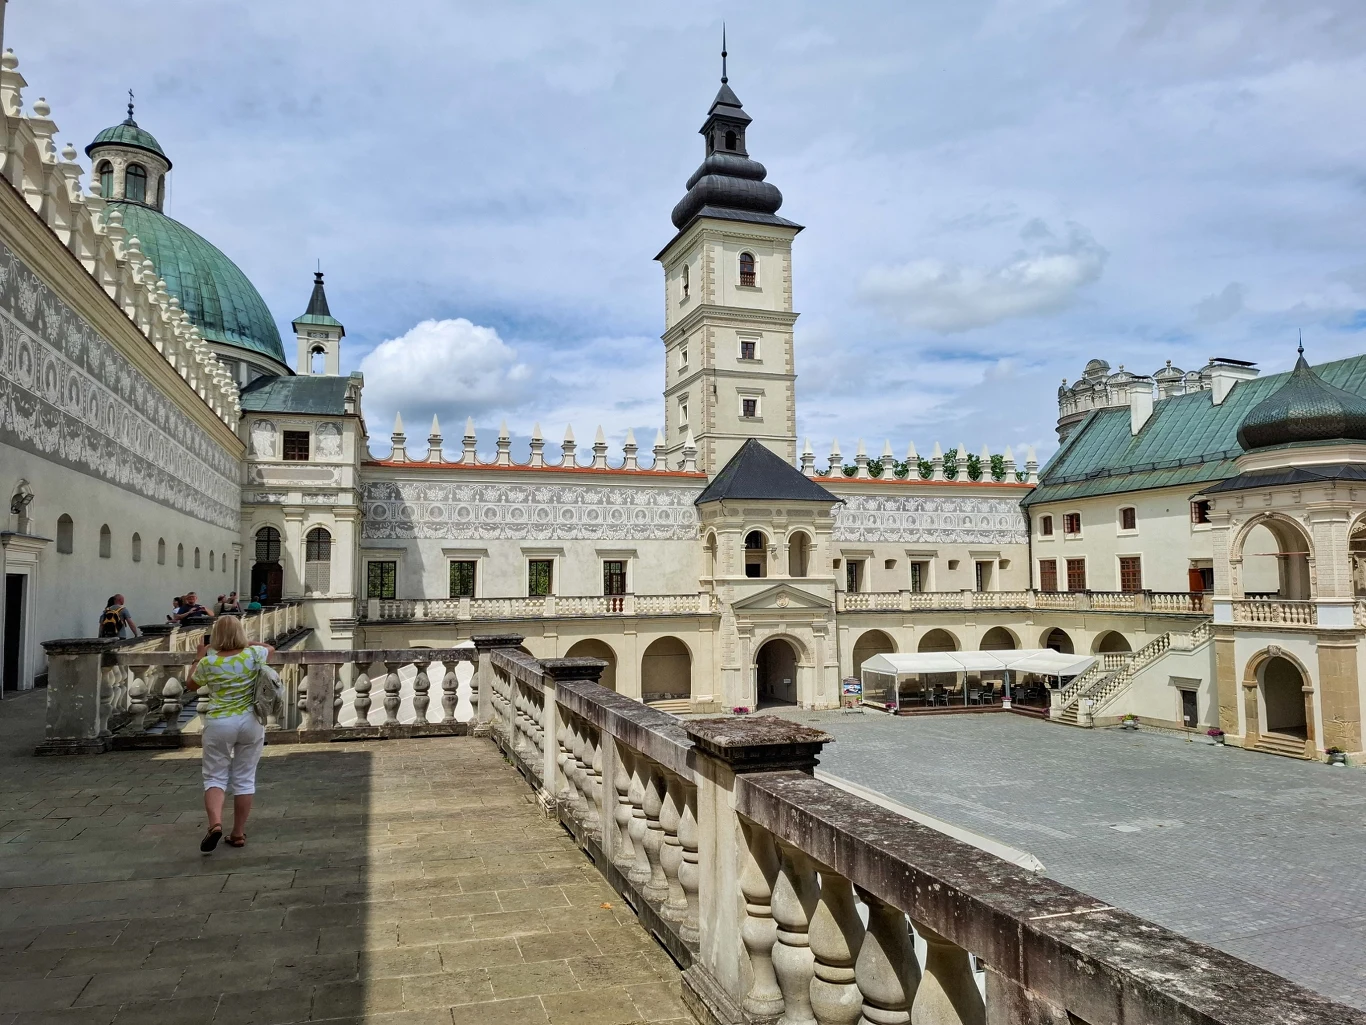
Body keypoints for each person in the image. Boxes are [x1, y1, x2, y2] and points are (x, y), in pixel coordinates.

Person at [185, 615, 274, 852]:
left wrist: (199, 655)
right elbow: (270, 649)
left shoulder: (208, 662)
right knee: (245, 778)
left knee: (214, 776)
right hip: (251, 721)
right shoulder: (253, 655)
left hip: (219, 723)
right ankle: (238, 833)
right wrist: (247, 643)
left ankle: (215, 823)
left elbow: (190, 684)